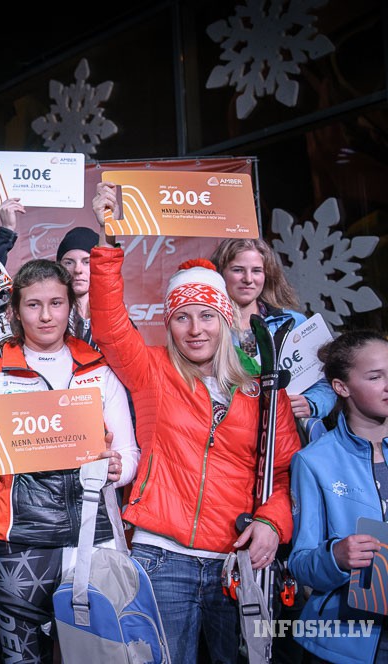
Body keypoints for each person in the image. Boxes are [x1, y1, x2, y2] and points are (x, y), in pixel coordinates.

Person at [89, 182, 300, 663]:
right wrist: (108, 238)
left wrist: (272, 522)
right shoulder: (153, 371)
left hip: (236, 561)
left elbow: (285, 471)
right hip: (162, 557)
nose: (196, 329)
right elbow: (109, 323)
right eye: (182, 317)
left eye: (207, 315)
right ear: (169, 323)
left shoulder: (263, 388)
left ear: (225, 319)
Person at [0, 258, 139, 663]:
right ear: (15, 311)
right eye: (33, 305)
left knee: (101, 660)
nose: (46, 316)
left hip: (93, 541)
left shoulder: (98, 370)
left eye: (56, 303)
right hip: (20, 547)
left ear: (70, 306)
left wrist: (120, 469)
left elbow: (129, 454)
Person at [288, 329, 388, 663]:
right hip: (346, 641)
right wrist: (336, 557)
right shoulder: (314, 461)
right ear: (341, 387)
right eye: (375, 377)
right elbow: (300, 563)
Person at [210, 238, 336, 435]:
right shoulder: (208, 329)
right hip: (231, 435)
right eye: (238, 270)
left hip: (286, 432)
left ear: (267, 274)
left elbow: (328, 381)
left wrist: (311, 403)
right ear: (220, 274)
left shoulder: (293, 322)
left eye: (256, 271)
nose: (248, 279)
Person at [57, 225, 101, 350]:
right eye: (69, 262)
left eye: (87, 262)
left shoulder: (115, 319)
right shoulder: (49, 319)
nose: (77, 270)